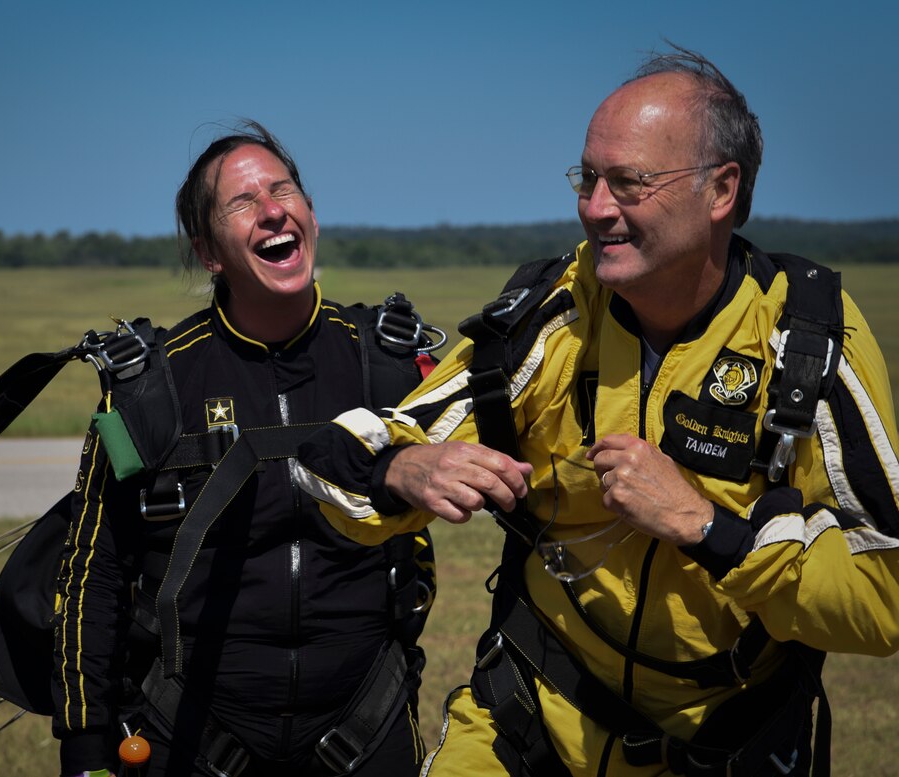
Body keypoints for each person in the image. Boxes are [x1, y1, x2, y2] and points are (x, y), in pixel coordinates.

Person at [295, 45, 899, 775]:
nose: (594, 208)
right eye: (588, 178)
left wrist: (711, 532)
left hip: (729, 740)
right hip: (532, 720)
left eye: (629, 183)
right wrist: (403, 466)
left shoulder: (808, 344)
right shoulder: (550, 317)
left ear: (722, 190)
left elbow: (884, 595)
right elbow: (338, 463)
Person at [50, 121, 436, 777]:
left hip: (364, 729)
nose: (273, 210)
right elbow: (94, 570)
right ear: (208, 252)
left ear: (310, 213)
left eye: (284, 190)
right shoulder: (148, 391)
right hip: (195, 737)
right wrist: (85, 743)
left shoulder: (389, 366)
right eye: (243, 203)